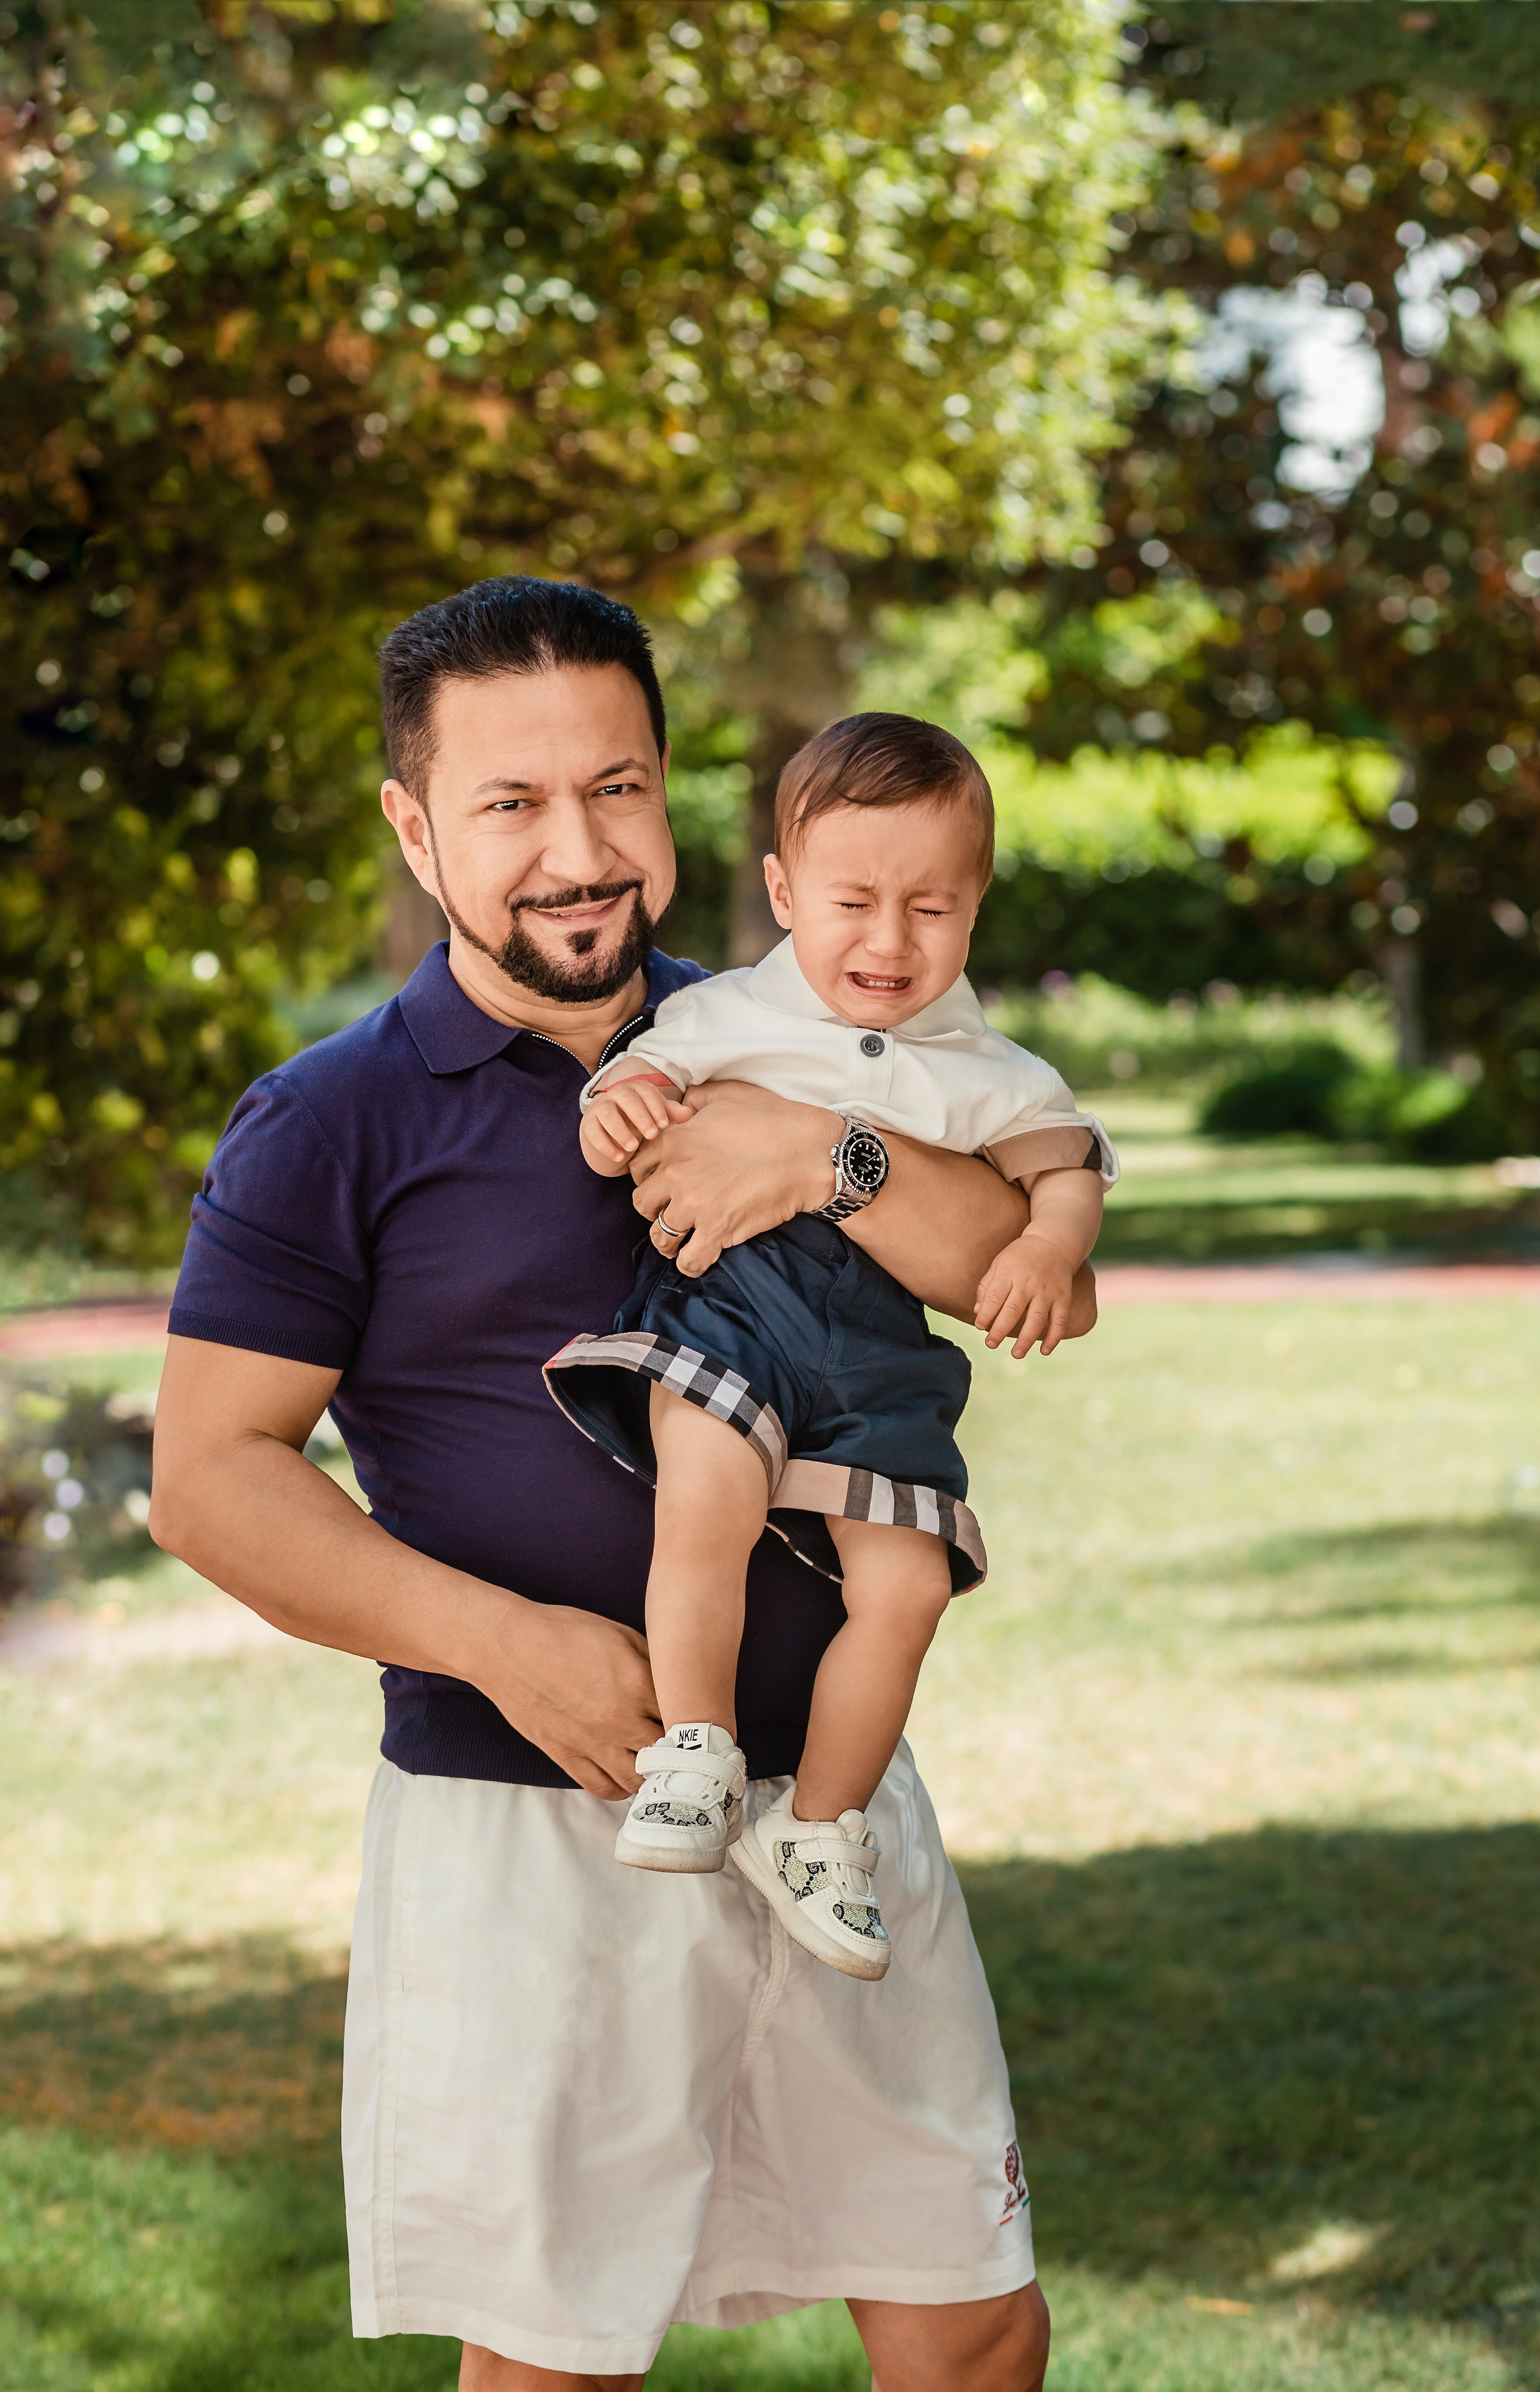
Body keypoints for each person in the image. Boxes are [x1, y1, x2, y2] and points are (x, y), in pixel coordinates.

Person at [149, 575, 1090, 2392]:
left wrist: (820, 1147)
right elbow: (209, 1480)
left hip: (832, 1807)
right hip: (535, 1823)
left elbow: (1007, 1263)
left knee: (972, 2325)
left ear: (675, 795)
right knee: (560, 2370)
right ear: (415, 829)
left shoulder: (798, 1018)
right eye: (512, 805)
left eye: (621, 789)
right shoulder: (331, 1123)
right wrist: (507, 1643)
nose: (580, 851)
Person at [548, 713, 1116, 1982]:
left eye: (932, 906)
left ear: (975, 908)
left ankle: (817, 1829)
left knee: (908, 1588)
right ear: (782, 890)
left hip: (874, 1361)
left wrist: (1044, 1245)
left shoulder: (983, 1066)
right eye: (851, 900)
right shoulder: (723, 1017)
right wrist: (621, 1109)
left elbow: (1063, 1168)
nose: (887, 939)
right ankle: (694, 1749)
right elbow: (613, 1113)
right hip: (733, 1314)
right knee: (704, 1491)